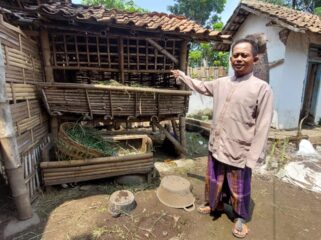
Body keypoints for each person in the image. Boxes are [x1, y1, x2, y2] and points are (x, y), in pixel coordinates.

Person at [171, 38, 273, 238]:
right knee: (214, 180)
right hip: (217, 144)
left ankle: (240, 216)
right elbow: (200, 86)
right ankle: (214, 205)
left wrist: (253, 157)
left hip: (240, 149)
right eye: (235, 55)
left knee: (239, 187)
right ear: (230, 58)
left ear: (255, 58)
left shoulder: (262, 88)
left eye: (244, 55)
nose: (239, 59)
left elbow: (263, 126)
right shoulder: (221, 83)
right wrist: (183, 76)